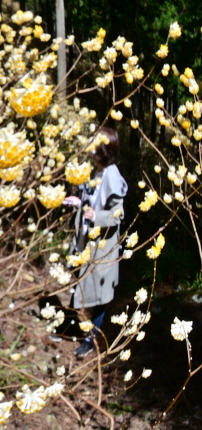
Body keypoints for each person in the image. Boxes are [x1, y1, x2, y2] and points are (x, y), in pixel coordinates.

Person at [60, 127, 127, 358]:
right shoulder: (97, 171)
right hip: (86, 241)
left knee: (99, 296)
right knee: (77, 282)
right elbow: (92, 201)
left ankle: (90, 340)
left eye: (94, 145)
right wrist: (78, 202)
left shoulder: (113, 176)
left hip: (102, 247)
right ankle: (68, 327)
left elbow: (117, 214)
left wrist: (97, 217)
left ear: (103, 150)